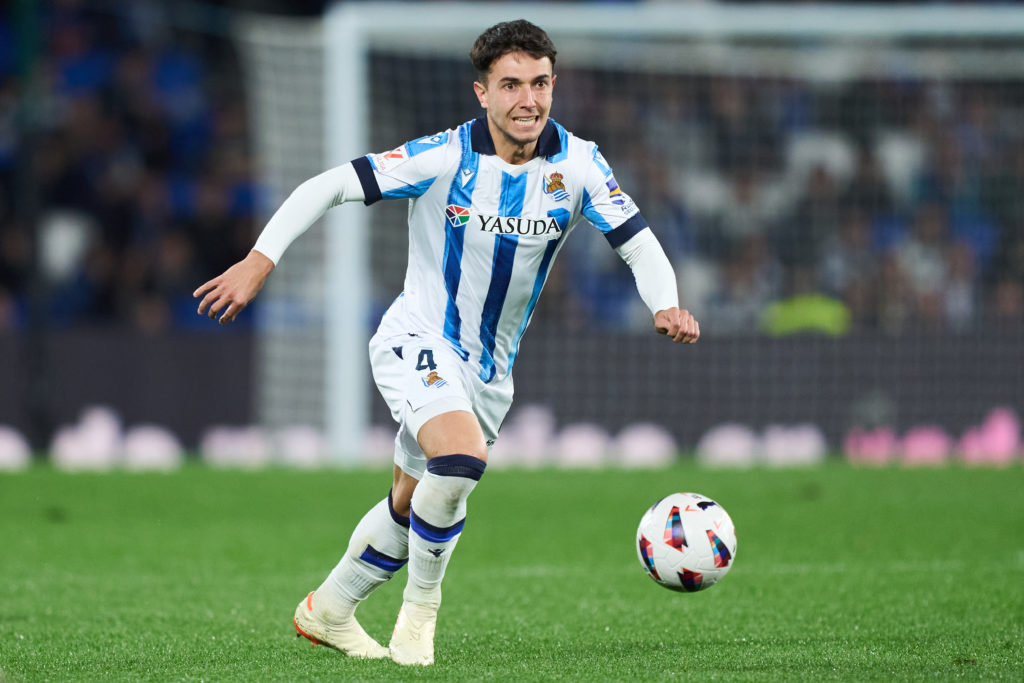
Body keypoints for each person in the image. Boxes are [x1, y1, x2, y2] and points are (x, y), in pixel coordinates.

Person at [193, 19, 699, 667]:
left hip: (489, 373)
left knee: (414, 503)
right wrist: (260, 260)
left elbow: (637, 241)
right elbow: (329, 185)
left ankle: (328, 609)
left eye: (540, 83)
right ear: (481, 93)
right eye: (511, 85)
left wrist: (666, 302)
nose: (528, 100)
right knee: (458, 460)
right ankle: (419, 617)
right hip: (417, 338)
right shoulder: (442, 158)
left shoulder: (578, 165)